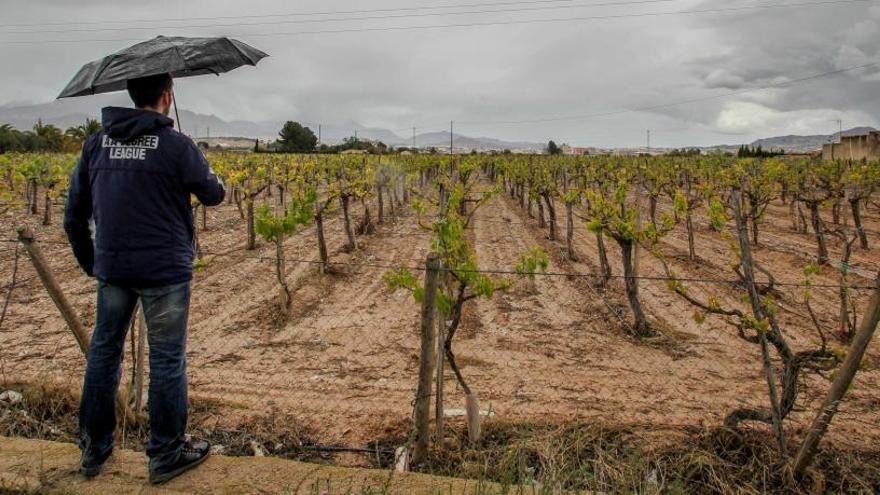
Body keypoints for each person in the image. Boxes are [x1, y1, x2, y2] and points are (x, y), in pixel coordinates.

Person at [64, 73, 225, 484]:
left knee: (103, 354)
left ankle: (93, 450)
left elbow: (73, 214)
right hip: (164, 272)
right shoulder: (175, 145)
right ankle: (166, 454)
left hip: (113, 269)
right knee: (168, 359)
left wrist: (93, 263)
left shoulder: (97, 143)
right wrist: (202, 166)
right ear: (167, 96)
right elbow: (213, 194)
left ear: (133, 96)